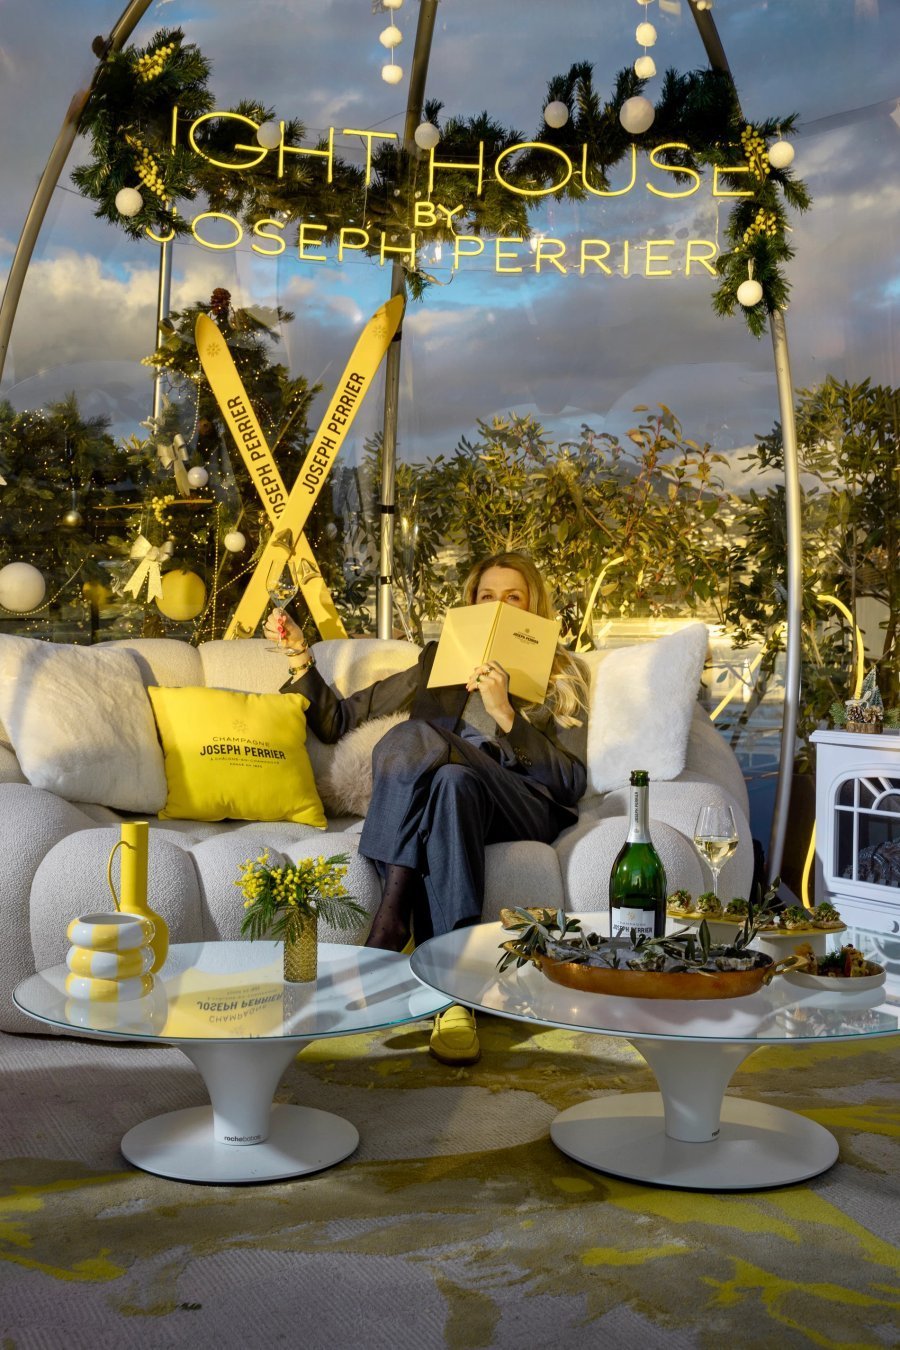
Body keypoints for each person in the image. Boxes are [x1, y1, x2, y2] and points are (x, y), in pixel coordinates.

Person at [265, 551, 589, 1064]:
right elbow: (339, 720)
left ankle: (389, 923)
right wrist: (299, 655)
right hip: (456, 800)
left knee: (419, 736)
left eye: (513, 597)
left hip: (519, 802)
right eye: (487, 596)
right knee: (451, 782)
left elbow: (570, 782)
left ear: (533, 606)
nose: (499, 606)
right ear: (472, 605)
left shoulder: (561, 670)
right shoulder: (439, 661)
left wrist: (507, 715)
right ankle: (454, 997)